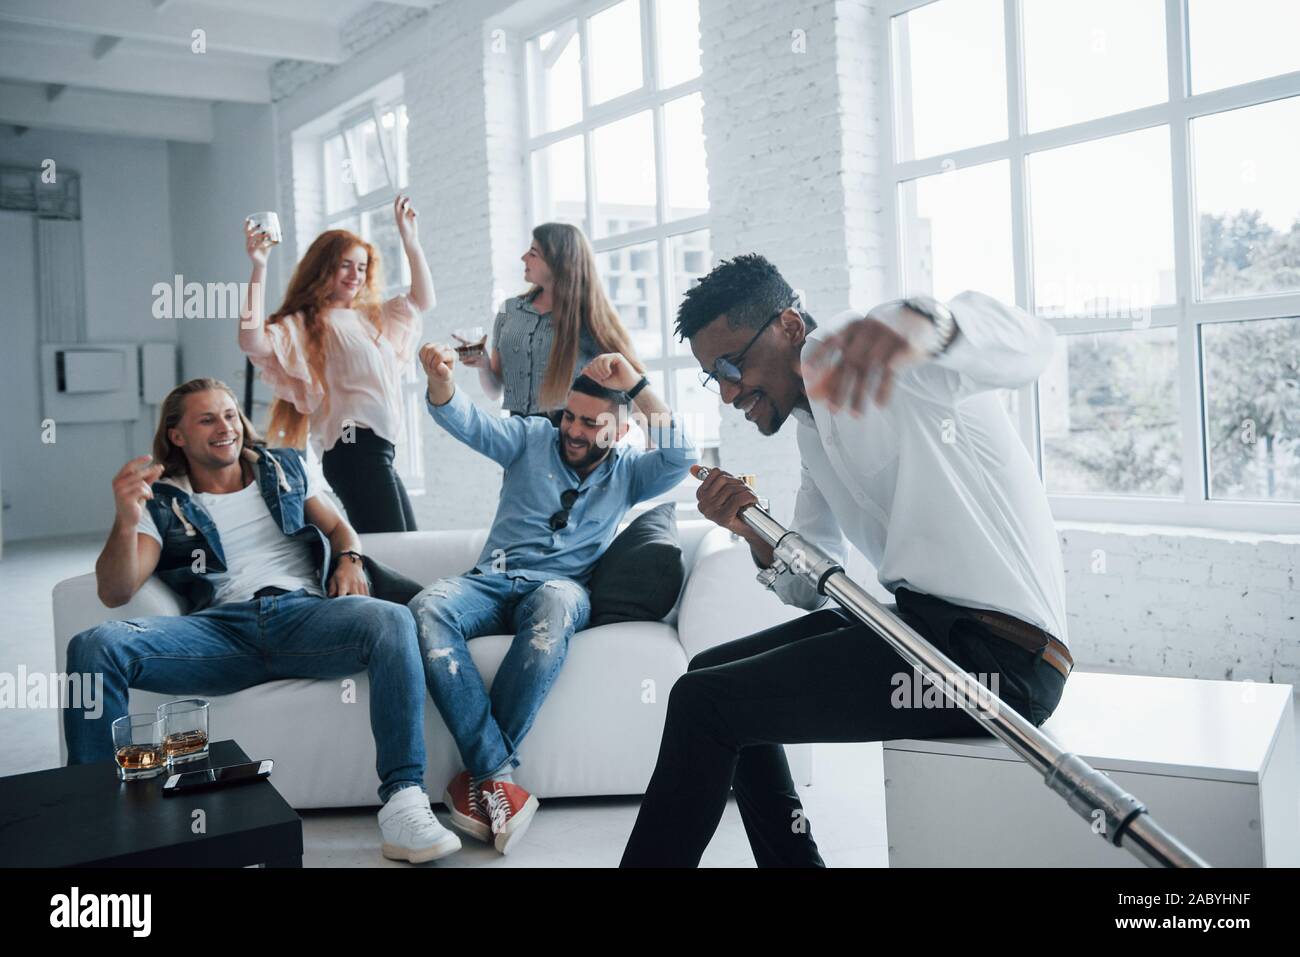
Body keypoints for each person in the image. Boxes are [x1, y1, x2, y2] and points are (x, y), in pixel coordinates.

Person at [621, 253, 1072, 867]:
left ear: (787, 326)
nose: (728, 393)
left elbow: (1033, 344)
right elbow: (811, 580)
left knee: (710, 706)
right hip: (919, 632)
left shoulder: (897, 359)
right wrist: (750, 527)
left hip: (1001, 664)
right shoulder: (813, 431)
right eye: (713, 377)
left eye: (732, 366)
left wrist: (928, 325)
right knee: (707, 674)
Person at [63, 378, 457, 864]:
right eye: (206, 419)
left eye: (229, 414)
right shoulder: (163, 500)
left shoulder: (283, 467)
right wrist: (125, 518)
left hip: (306, 617)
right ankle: (96, 819)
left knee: (391, 621)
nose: (225, 427)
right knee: (94, 645)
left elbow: (336, 526)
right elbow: (115, 590)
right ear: (178, 435)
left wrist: (350, 558)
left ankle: (404, 802)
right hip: (219, 632)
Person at [412, 342, 696, 854]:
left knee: (557, 607)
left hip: (558, 589)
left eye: (592, 423)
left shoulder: (630, 473)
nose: (575, 430)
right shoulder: (530, 438)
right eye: (571, 416)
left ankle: (480, 778)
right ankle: (495, 776)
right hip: (490, 581)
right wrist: (441, 383)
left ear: (621, 429)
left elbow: (682, 453)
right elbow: (469, 423)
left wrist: (635, 383)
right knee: (426, 607)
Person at [239, 194, 435, 532]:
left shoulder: (369, 319)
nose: (355, 275)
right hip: (353, 450)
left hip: (379, 449)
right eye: (346, 264)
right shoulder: (307, 323)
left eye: (361, 267)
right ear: (323, 267)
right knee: (396, 548)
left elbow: (422, 300)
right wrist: (259, 266)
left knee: (406, 545)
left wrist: (411, 241)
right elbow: (251, 340)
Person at [463, 221, 646, 420]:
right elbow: (494, 391)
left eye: (533, 253)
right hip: (517, 437)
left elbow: (635, 387)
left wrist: (652, 441)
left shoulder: (591, 320)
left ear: (558, 263)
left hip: (569, 440)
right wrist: (483, 364)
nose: (523, 258)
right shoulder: (509, 310)